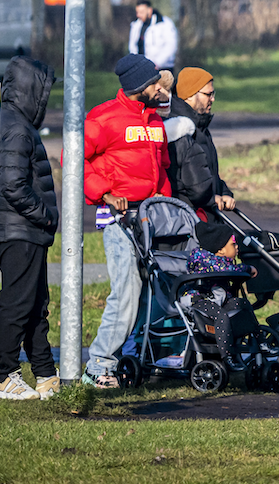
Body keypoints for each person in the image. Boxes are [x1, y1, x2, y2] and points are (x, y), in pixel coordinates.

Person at [82, 54, 172, 387]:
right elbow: (75, 160)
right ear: (139, 87)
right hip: (119, 219)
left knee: (154, 291)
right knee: (126, 291)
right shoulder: (103, 118)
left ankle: (137, 355)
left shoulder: (154, 119)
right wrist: (104, 193)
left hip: (151, 219)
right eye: (153, 83)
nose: (159, 87)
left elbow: (161, 170)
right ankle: (98, 365)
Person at [0, 57, 60, 400]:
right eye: (44, 91)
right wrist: (44, 215)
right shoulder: (16, 127)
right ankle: (6, 377)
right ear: (32, 90)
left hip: (24, 229)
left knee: (34, 303)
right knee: (17, 303)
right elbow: (14, 185)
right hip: (20, 228)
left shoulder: (16, 123)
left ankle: (45, 374)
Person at [164, 67, 234, 219]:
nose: (213, 99)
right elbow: (185, 184)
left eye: (213, 94)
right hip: (187, 218)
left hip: (205, 212)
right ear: (189, 95)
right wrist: (211, 198)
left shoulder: (201, 127)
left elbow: (207, 173)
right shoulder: (177, 130)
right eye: (208, 94)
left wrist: (223, 192)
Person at [127, 0, 179, 70]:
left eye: (141, 12)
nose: (138, 15)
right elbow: (133, 45)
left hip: (163, 68)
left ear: (149, 10)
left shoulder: (164, 23)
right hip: (142, 68)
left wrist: (157, 63)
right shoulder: (135, 25)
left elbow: (171, 45)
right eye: (137, 12)